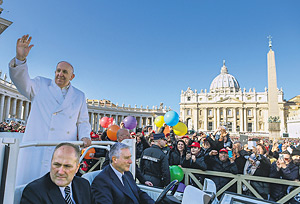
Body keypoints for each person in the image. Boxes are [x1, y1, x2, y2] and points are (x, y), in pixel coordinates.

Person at [9, 35, 91, 186]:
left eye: (65, 72)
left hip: (63, 147)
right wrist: (20, 59)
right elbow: (21, 82)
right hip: (37, 146)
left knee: (56, 188)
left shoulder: (79, 95)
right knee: (29, 185)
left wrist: (85, 135)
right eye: (58, 70)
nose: (60, 74)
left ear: (72, 76)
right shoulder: (40, 84)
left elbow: (83, 121)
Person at [21, 143, 94, 204]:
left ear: (77, 168)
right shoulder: (34, 192)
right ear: (51, 163)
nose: (61, 172)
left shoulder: (83, 184)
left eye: (67, 166)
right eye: (57, 165)